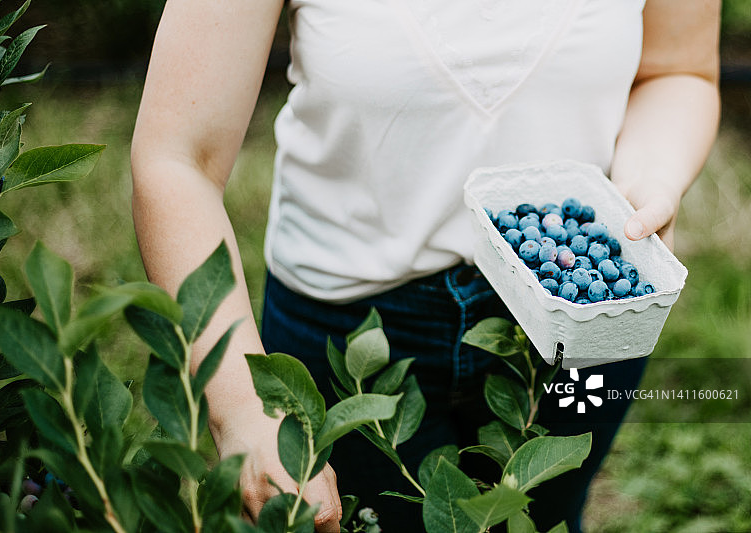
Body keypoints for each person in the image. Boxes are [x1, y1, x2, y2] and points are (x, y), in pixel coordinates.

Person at [130, 1, 721, 531]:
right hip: (351, 329)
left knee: (546, 521)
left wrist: (649, 179)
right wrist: (242, 410)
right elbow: (177, 158)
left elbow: (678, 68)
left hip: (580, 317)